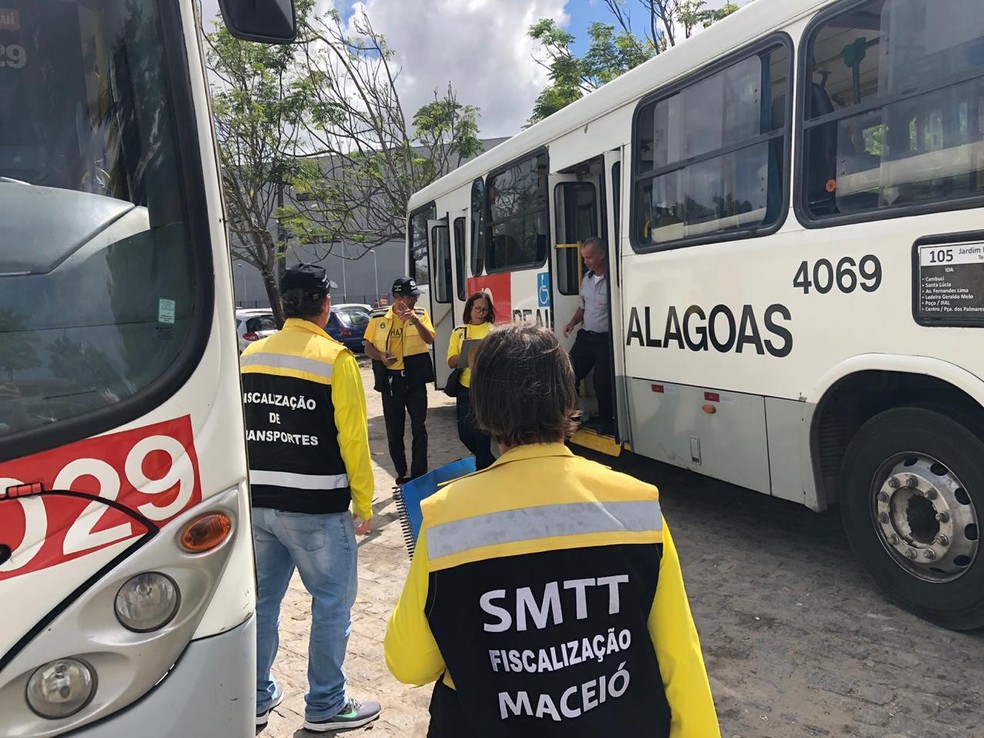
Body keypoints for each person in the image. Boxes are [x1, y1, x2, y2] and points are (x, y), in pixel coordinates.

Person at [384, 323, 720, 738]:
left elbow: (409, 663)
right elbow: (679, 660)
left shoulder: (445, 518)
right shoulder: (636, 504)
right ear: (567, 396)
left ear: (484, 407)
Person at [240, 263, 381, 733]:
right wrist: (364, 502)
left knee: (262, 604)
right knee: (331, 603)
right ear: (324, 307)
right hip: (317, 510)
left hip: (259, 506)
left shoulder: (250, 357)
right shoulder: (334, 359)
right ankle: (325, 704)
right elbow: (353, 441)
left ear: (285, 306)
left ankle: (256, 698)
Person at [364, 276, 436, 484]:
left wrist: (415, 320)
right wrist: (381, 357)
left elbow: (430, 339)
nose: (414, 301)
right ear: (397, 297)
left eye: (415, 296)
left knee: (419, 428)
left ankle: (419, 473)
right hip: (391, 380)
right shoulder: (378, 318)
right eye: (410, 297)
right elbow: (368, 346)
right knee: (394, 431)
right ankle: (402, 473)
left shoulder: (420, 314)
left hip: (415, 379)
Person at [562, 237, 614, 435]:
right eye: (584, 258)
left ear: (601, 255)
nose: (586, 262)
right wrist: (572, 323)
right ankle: (572, 418)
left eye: (589, 258)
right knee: (568, 374)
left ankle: (608, 423)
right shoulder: (587, 279)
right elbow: (583, 308)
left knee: (601, 382)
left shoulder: (613, 279)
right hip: (586, 337)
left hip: (605, 340)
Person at [447, 291, 497, 470]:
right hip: (464, 386)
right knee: (465, 433)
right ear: (469, 309)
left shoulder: (493, 331)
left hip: (484, 388)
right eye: (477, 309)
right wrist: (466, 354)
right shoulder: (459, 332)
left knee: (482, 434)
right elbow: (451, 361)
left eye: (484, 310)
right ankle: (491, 464)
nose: (481, 313)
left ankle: (483, 470)